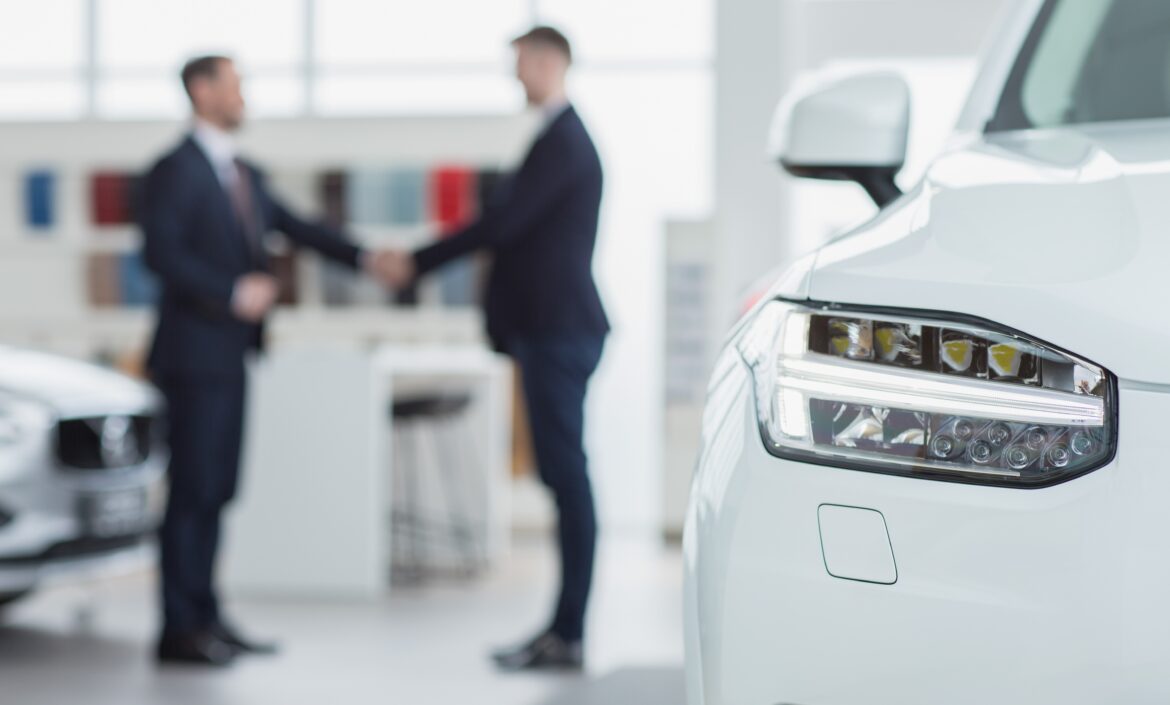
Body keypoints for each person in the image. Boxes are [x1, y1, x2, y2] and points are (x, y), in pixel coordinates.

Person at [140, 55, 399, 667]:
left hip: (233, 357)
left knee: (219, 489)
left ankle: (207, 614)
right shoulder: (171, 171)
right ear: (202, 91)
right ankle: (178, 628)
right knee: (193, 492)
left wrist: (367, 259)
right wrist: (230, 291)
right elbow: (161, 253)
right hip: (193, 355)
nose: (243, 95)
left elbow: (300, 228)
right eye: (234, 85)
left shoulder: (244, 173)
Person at [382, 26, 609, 672]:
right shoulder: (554, 139)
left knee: (568, 478)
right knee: (563, 477)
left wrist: (417, 260)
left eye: (520, 65)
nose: (515, 77)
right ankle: (561, 630)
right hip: (549, 331)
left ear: (549, 61)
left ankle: (567, 633)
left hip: (558, 332)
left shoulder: (563, 142)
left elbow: (502, 226)